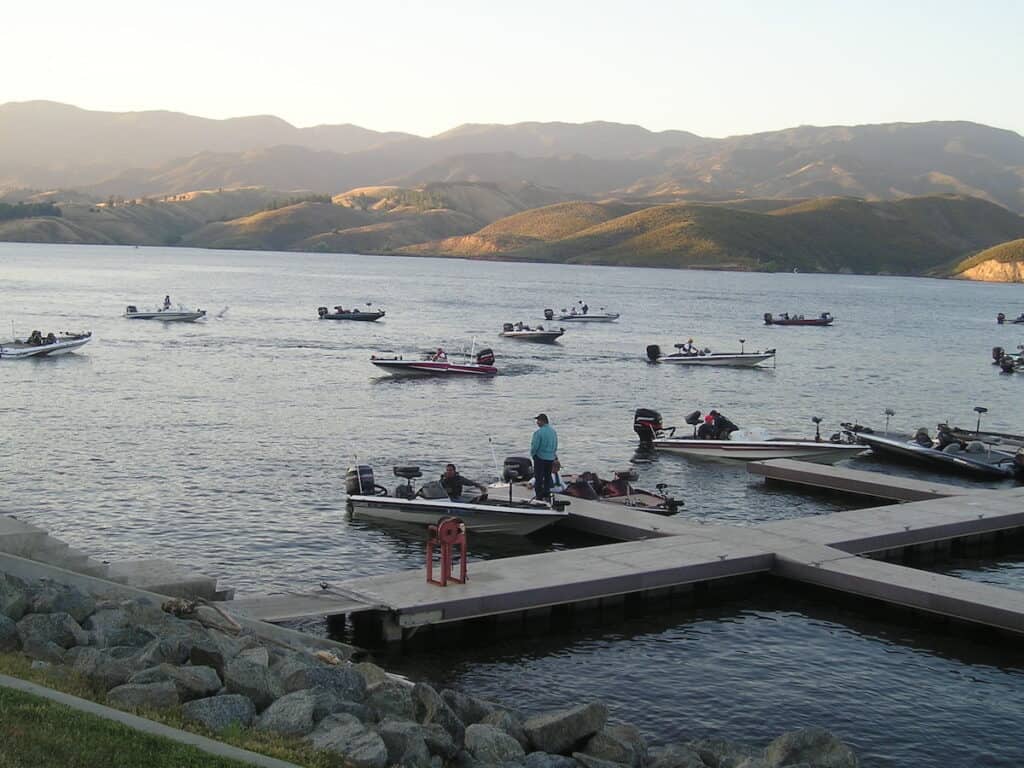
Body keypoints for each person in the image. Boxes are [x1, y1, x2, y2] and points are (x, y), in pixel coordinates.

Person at [530, 413, 558, 501]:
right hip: (550, 458)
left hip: (540, 457)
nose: (537, 423)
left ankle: (539, 497)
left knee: (538, 477)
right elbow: (555, 444)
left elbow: (535, 446)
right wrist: (553, 455)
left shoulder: (538, 433)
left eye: (538, 421)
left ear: (542, 421)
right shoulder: (553, 432)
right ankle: (547, 494)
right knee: (547, 477)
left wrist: (533, 454)